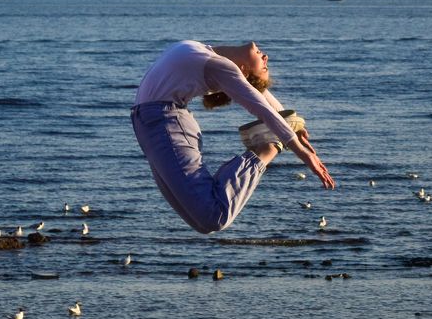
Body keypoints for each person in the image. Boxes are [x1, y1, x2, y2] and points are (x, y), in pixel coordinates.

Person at [131, 40, 335, 234]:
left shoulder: (222, 66)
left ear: (243, 71)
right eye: (264, 64)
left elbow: (262, 106)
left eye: (264, 66)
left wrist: (300, 149)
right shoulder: (209, 52)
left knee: (214, 216)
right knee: (201, 223)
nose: (266, 57)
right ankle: (257, 154)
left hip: (165, 122)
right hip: (151, 123)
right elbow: (262, 97)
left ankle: (268, 149)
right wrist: (293, 125)